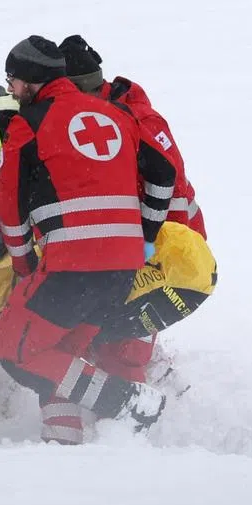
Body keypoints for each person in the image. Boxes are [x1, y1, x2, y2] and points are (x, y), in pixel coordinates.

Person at [0, 36, 166, 445]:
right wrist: (146, 235)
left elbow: (11, 205)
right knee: (60, 353)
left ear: (32, 82)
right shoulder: (118, 114)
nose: (12, 91)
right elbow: (162, 173)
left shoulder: (28, 123)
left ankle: (129, 403)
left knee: (15, 348)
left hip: (73, 265)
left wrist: (23, 266)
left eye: (13, 82)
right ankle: (62, 440)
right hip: (123, 267)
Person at [58, 34, 206, 389]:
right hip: (137, 242)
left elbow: (169, 185)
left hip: (166, 245)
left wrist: (153, 250)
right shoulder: (98, 115)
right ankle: (160, 386)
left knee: (123, 343)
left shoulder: (133, 120)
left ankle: (132, 422)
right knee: (106, 331)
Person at [60, 35, 206, 237]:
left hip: (177, 241)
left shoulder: (141, 120)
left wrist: (155, 244)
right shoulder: (85, 119)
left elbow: (174, 190)